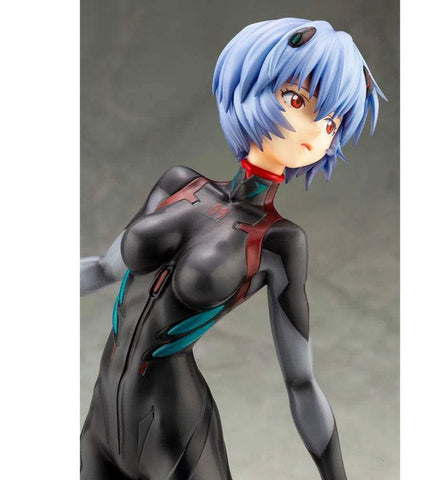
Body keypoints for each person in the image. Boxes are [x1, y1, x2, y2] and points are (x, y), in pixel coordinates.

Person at [80, 17, 384, 480]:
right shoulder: (179, 185)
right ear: (250, 84)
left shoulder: (280, 241)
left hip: (178, 435)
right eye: (297, 100)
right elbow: (105, 269)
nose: (315, 131)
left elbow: (301, 382)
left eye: (331, 122)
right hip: (103, 421)